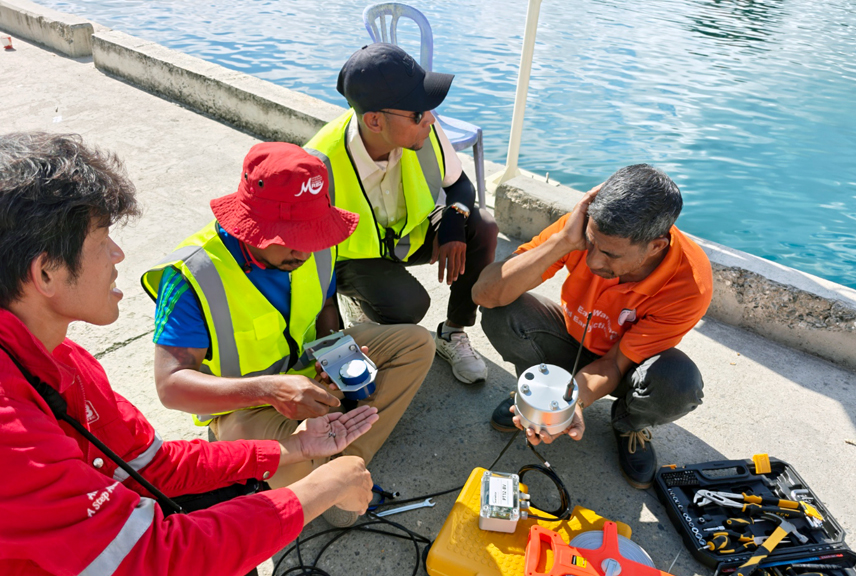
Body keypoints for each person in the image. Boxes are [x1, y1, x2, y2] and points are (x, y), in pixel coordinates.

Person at [0, 131, 376, 576]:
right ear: (45, 273)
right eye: (103, 239)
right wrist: (322, 488)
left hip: (44, 575)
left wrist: (295, 451)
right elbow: (156, 569)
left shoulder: (60, 358)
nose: (120, 255)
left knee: (221, 536)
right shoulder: (12, 432)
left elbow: (151, 464)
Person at [143, 142, 435, 527]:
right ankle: (334, 474)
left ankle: (342, 468)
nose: (304, 250)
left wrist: (337, 355)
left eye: (311, 233)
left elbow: (326, 308)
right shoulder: (193, 276)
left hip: (308, 371)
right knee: (290, 469)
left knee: (418, 345)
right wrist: (270, 390)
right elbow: (171, 386)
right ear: (249, 224)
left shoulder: (315, 247)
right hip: (242, 407)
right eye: (290, 236)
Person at [473, 165, 713, 489]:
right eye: (591, 243)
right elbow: (483, 293)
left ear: (655, 246)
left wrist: (571, 403)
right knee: (503, 310)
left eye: (611, 254)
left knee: (678, 383)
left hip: (626, 366)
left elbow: (614, 362)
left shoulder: (690, 284)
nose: (593, 261)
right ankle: (537, 397)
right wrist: (562, 242)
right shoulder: (581, 229)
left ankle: (629, 424)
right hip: (571, 338)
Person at [303, 42, 498, 385]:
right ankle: (362, 301)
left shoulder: (424, 130)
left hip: (408, 237)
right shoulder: (319, 167)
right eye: (418, 113)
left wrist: (454, 219)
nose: (430, 118)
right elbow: (310, 263)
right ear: (374, 120)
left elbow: (461, 186)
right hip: (351, 259)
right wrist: (332, 341)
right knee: (410, 306)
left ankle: (452, 333)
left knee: (482, 225)